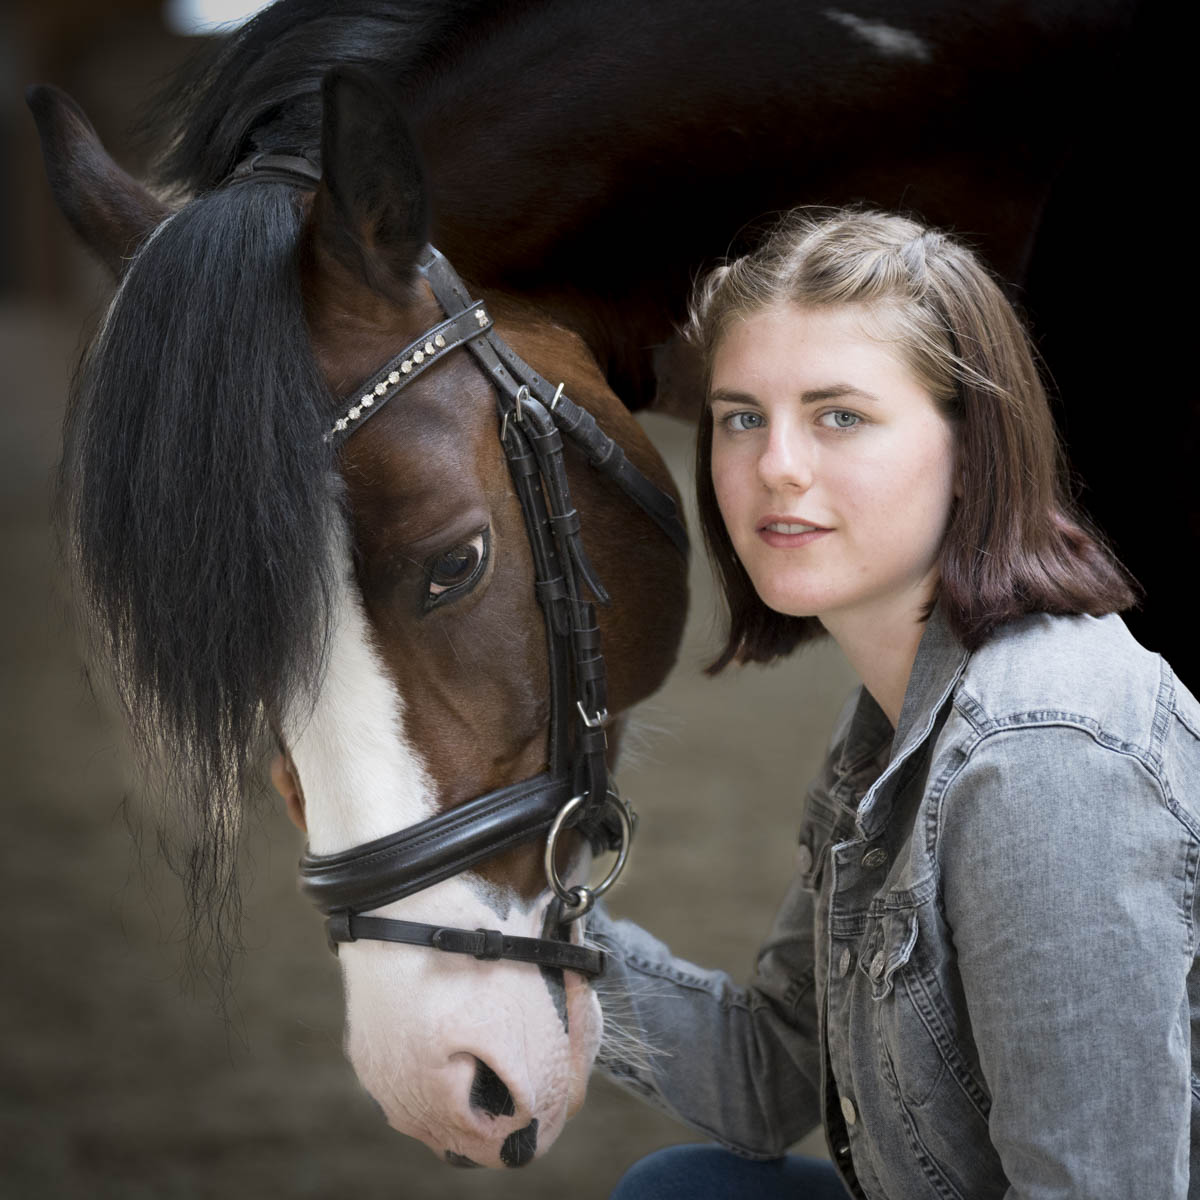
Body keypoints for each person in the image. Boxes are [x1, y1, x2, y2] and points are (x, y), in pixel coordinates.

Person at [590, 209, 1200, 1199]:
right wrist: (509, 923)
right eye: (743, 415)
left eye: (840, 416)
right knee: (690, 1189)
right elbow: (770, 1076)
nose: (775, 464)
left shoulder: (1043, 756)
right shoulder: (895, 719)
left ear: (968, 448)